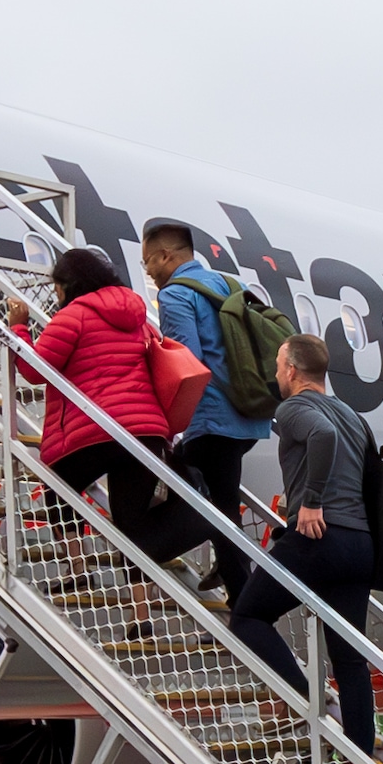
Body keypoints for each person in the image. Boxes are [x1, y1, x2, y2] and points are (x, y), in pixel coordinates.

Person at [228, 332, 379, 749]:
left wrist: (311, 502)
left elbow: (321, 436)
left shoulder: (295, 406)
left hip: (318, 537)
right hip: (358, 544)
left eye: (279, 366)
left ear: (292, 370)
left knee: (248, 617)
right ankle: (360, 757)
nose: (277, 374)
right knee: (348, 655)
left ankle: (302, 695)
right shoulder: (352, 415)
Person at [19, 247, 182, 561]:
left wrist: (19, 328)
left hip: (99, 430)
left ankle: (78, 568)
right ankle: (139, 610)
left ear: (70, 284)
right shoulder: (139, 318)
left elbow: (33, 371)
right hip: (145, 432)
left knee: (58, 490)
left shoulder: (73, 315)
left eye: (57, 285)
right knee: (132, 526)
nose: (55, 292)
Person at [142, 220, 272, 587]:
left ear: (166, 255)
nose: (149, 272)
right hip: (248, 414)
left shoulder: (174, 295)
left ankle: (239, 594)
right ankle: (231, 573)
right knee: (219, 496)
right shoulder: (231, 285)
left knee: (205, 493)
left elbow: (187, 362)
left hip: (212, 415)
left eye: (148, 262)